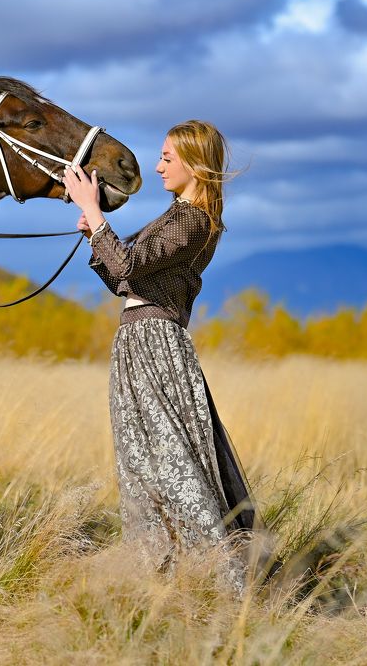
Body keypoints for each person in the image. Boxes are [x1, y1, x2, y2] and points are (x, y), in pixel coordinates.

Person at [62, 120, 256, 591]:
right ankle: (166, 578)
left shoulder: (194, 220)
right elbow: (121, 279)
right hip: (136, 341)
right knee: (141, 463)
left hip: (157, 344)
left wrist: (96, 211)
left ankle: (221, 579)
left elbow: (126, 264)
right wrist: (96, 233)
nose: (157, 166)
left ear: (194, 163)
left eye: (167, 158)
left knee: (173, 461)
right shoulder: (174, 216)